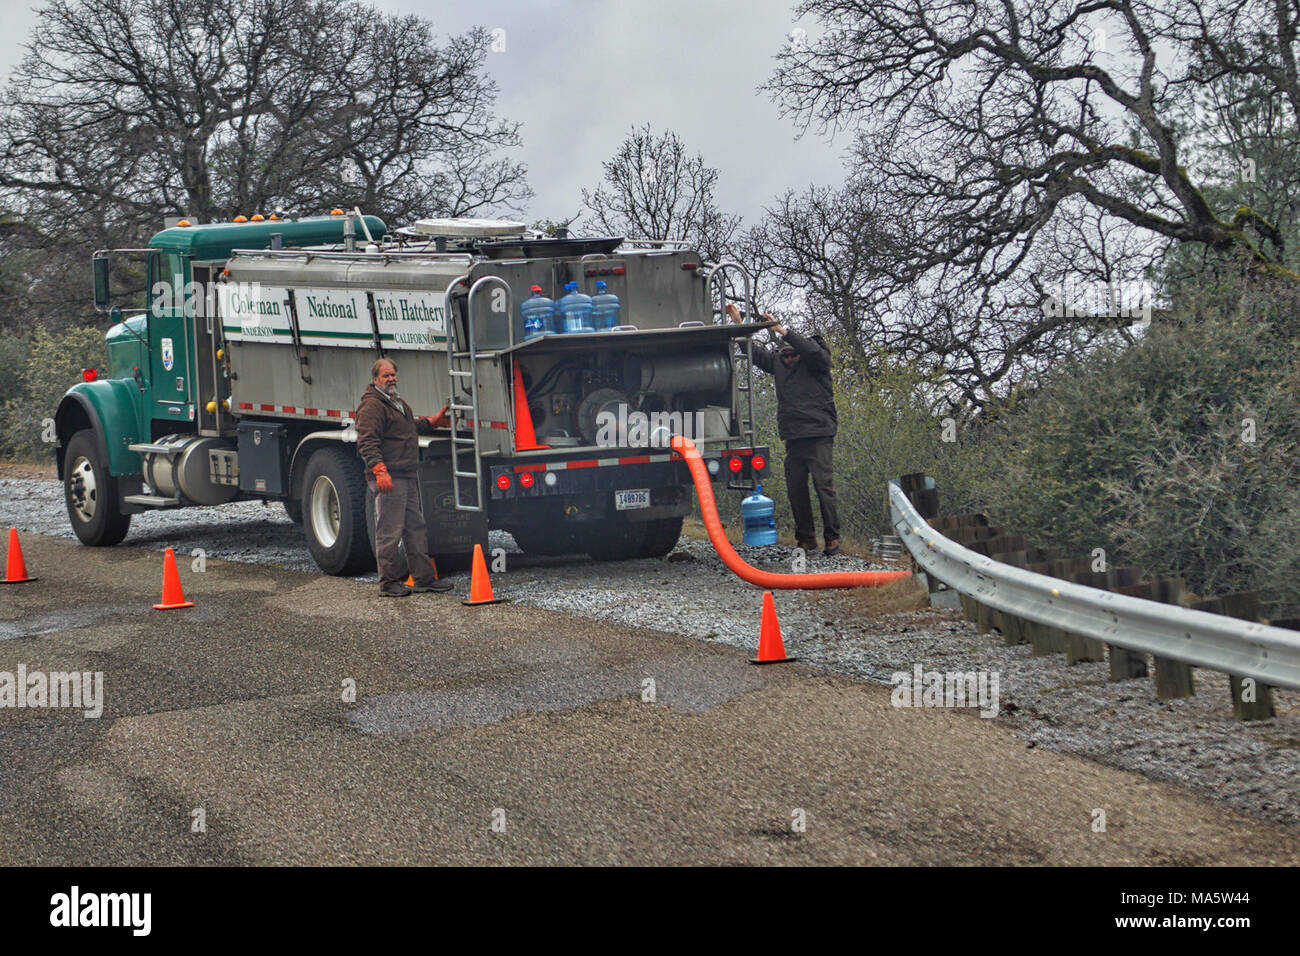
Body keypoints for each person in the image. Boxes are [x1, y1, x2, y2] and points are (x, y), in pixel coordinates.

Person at [725, 303, 840, 556]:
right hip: (793, 436)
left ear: (800, 352)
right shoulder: (778, 362)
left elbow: (813, 352)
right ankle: (806, 539)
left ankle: (832, 538)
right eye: (784, 355)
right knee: (796, 488)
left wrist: (782, 330)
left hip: (819, 434)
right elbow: (754, 352)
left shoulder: (816, 360)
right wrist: (738, 322)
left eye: (792, 355)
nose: (788, 359)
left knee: (824, 487)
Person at [355, 358, 453, 597]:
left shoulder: (394, 402)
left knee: (415, 527)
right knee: (390, 530)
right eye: (386, 376)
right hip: (391, 477)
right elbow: (366, 441)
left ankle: (424, 579)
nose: (391, 379)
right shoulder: (372, 406)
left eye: (393, 375)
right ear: (375, 379)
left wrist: (432, 422)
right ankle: (388, 583)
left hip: (405, 474)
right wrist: (380, 471)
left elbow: (408, 428)